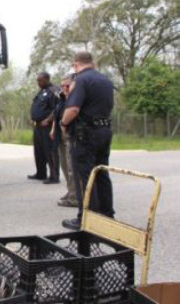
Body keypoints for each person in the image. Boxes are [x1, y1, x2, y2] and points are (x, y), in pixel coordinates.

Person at [61, 51, 115, 230]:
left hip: (86, 134)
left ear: (76, 64)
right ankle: (107, 214)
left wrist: (63, 122)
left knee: (84, 175)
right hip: (104, 130)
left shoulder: (81, 80)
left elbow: (74, 109)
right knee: (101, 172)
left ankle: (87, 218)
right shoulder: (106, 80)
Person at [50, 74, 78, 208]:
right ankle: (70, 191)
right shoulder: (61, 98)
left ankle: (75, 197)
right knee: (65, 166)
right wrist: (53, 129)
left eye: (67, 85)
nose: (64, 88)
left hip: (70, 135)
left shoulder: (75, 98)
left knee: (72, 167)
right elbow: (57, 116)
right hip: (60, 135)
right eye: (62, 86)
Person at [28, 72, 59, 184]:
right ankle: (41, 173)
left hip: (48, 126)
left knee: (50, 151)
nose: (38, 82)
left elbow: (57, 108)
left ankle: (54, 176)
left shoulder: (54, 90)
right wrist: (32, 117)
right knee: (39, 151)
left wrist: (48, 120)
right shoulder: (42, 91)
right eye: (37, 80)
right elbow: (36, 106)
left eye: (40, 80)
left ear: (47, 79)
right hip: (38, 126)